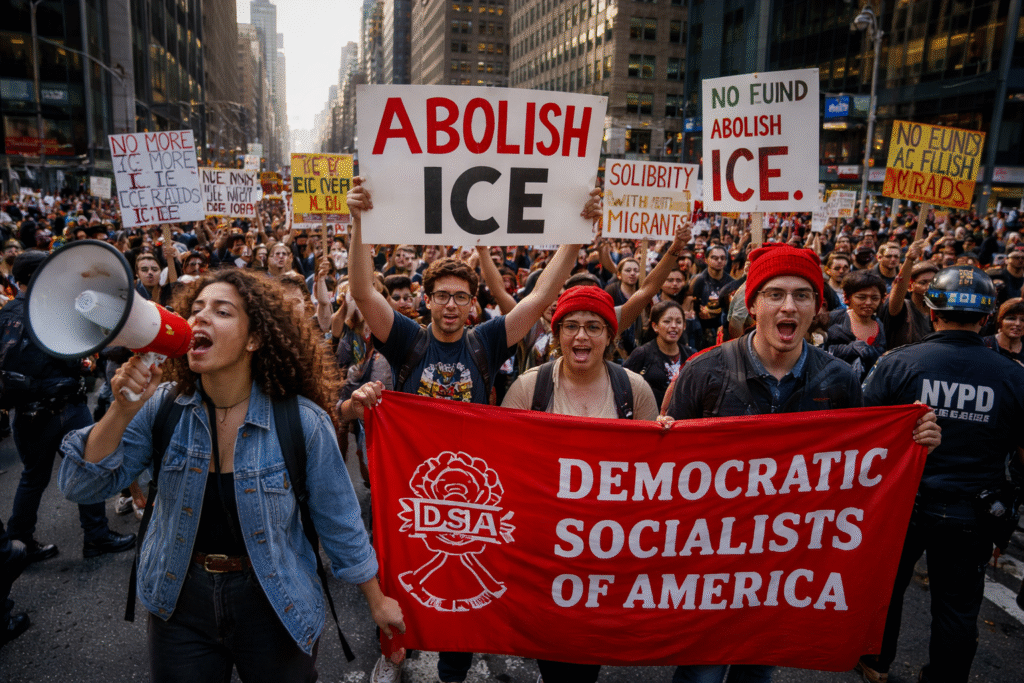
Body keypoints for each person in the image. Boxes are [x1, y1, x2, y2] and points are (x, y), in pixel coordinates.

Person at [57, 268, 405, 682]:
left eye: (221, 311)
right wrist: (122, 410)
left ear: (254, 338)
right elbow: (81, 485)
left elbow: (340, 519)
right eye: (196, 309)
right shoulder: (163, 407)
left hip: (274, 599)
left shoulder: (302, 421)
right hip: (180, 599)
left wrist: (377, 599)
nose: (200, 318)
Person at [347, 175, 599, 683]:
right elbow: (361, 290)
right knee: (404, 577)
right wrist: (358, 223)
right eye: (440, 296)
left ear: (473, 303)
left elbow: (542, 294)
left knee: (464, 584)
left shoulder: (487, 340)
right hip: (412, 485)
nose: (449, 306)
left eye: (460, 297)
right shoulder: (407, 339)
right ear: (425, 300)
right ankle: (396, 648)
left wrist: (576, 232)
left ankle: (454, 666)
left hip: (474, 488)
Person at [665, 244, 939, 683]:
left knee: (757, 673)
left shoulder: (840, 379)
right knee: (702, 674)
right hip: (713, 565)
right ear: (752, 305)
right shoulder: (704, 372)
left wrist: (913, 439)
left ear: (818, 309)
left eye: (802, 295)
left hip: (784, 571)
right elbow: (665, 473)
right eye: (774, 294)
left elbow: (863, 462)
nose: (788, 305)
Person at [858, 266, 1023, 683]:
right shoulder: (1014, 376)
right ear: (986, 319)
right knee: (958, 607)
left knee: (887, 591)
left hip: (903, 507)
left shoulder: (897, 363)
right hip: (975, 512)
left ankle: (877, 662)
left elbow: (862, 432)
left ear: (932, 313)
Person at [501, 286, 658, 683]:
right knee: (552, 650)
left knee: (589, 648)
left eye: (593, 327)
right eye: (570, 326)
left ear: (610, 336)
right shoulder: (529, 389)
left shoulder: (633, 390)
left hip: (608, 551)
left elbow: (653, 472)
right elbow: (502, 463)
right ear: (556, 336)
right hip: (543, 551)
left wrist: (667, 438)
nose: (581, 336)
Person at [0, 251, 136, 562]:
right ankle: (96, 536)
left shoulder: (6, 313)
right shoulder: (46, 311)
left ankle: (18, 544)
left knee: (33, 477)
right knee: (88, 467)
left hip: (27, 413)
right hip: (64, 407)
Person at [625, 300, 694, 407]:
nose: (674, 326)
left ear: (684, 326)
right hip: (650, 417)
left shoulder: (691, 356)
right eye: (667, 321)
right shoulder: (642, 354)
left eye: (679, 322)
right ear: (655, 326)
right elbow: (623, 383)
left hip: (682, 419)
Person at [824, 270, 887, 380]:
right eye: (861, 297)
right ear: (847, 297)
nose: (868, 302)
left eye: (874, 298)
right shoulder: (832, 319)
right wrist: (851, 349)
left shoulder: (881, 325)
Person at [690, 244, 733, 349]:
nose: (719, 261)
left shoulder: (731, 283)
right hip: (699, 330)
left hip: (722, 332)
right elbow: (689, 304)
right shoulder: (697, 280)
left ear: (726, 261)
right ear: (706, 260)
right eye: (715, 257)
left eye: (722, 258)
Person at [982, 297, 1024, 363]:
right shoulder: (983, 344)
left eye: (1023, 320)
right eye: (1011, 318)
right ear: (1000, 320)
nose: (1018, 323)